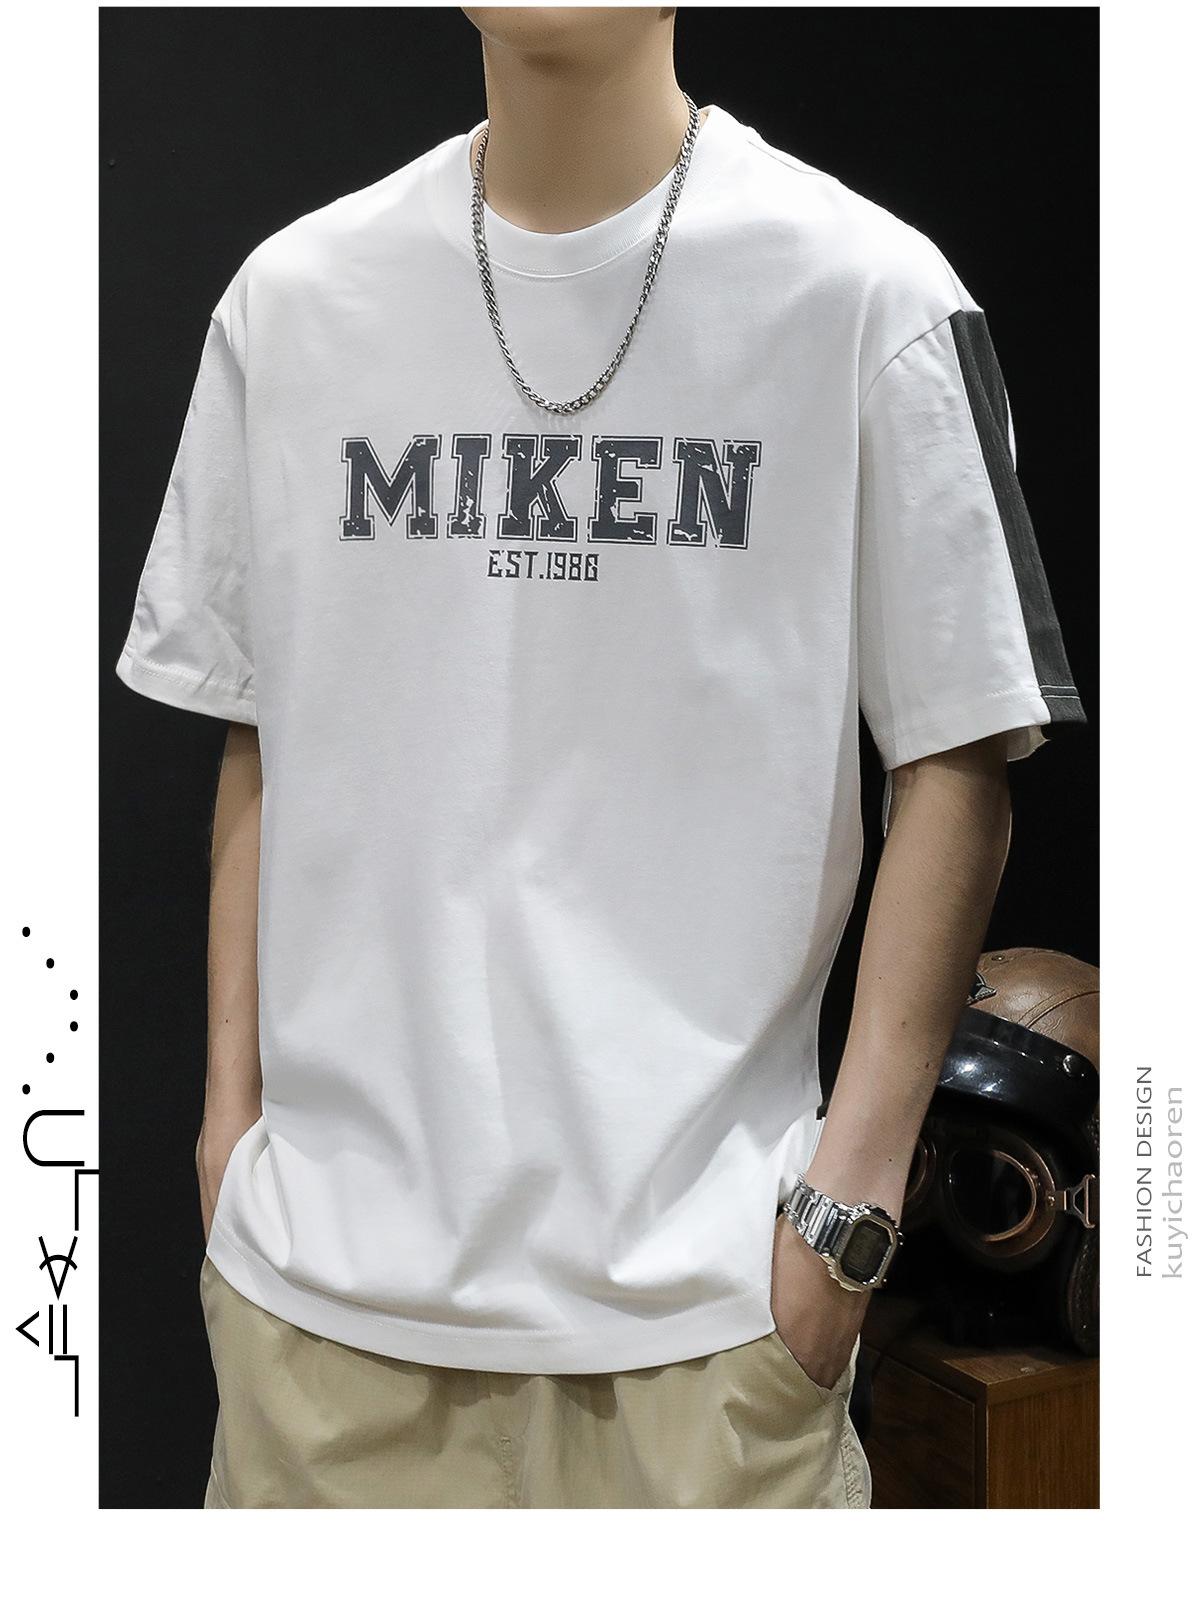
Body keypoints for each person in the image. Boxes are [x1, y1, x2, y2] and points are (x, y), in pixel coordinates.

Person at [114, 6, 1086, 1509]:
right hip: (321, 1321)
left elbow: (961, 759)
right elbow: (261, 731)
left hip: (710, 1333)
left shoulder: (869, 298)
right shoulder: (292, 302)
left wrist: (845, 1219)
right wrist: (225, 1138)